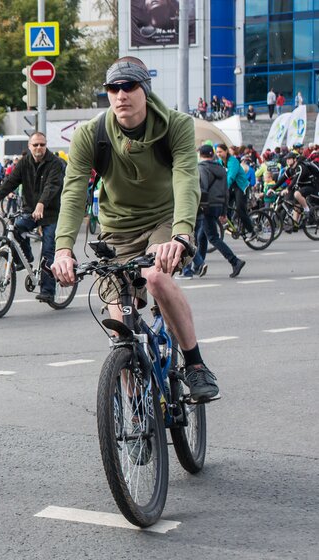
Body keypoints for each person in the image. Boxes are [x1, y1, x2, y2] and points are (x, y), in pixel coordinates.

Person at [50, 56, 219, 403]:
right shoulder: (91, 134)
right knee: (120, 324)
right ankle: (137, 408)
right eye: (113, 88)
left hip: (164, 221)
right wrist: (63, 249)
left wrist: (182, 234)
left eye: (129, 86)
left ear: (146, 90)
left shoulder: (175, 125)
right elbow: (74, 191)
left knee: (155, 277)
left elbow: (186, 179)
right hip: (116, 230)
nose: (121, 95)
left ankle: (195, 364)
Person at [0, 132, 64, 302]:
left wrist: (41, 204)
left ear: (46, 145)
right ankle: (25, 257)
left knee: (48, 249)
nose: (39, 147)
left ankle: (48, 291)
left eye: (42, 144)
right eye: (35, 145)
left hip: (51, 213)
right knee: (17, 228)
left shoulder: (55, 163)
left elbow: (51, 186)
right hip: (30, 211)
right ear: (29, 146)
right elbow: (10, 182)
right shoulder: (24, 163)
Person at [182, 144, 245, 279]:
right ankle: (198, 266)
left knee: (213, 237)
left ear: (200, 155)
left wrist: (200, 207)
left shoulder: (201, 168)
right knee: (202, 236)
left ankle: (235, 261)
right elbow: (226, 191)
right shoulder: (221, 168)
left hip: (206, 206)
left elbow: (202, 188)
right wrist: (224, 211)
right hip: (218, 205)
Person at [216, 143, 255, 241]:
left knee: (240, 209)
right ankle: (230, 225)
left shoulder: (233, 161)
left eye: (220, 152)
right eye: (217, 152)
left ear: (226, 151)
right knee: (225, 205)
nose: (218, 154)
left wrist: (223, 189)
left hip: (240, 186)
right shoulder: (220, 162)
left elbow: (230, 177)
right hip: (230, 187)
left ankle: (252, 231)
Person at [276, 151, 319, 226]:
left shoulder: (300, 167)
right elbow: (282, 179)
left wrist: (287, 189)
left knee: (297, 194)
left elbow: (295, 180)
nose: (287, 161)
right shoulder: (290, 169)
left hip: (312, 186)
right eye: (287, 159)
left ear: (294, 159)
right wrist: (272, 188)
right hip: (302, 186)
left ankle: (307, 210)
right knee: (296, 205)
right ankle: (295, 225)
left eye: (289, 159)